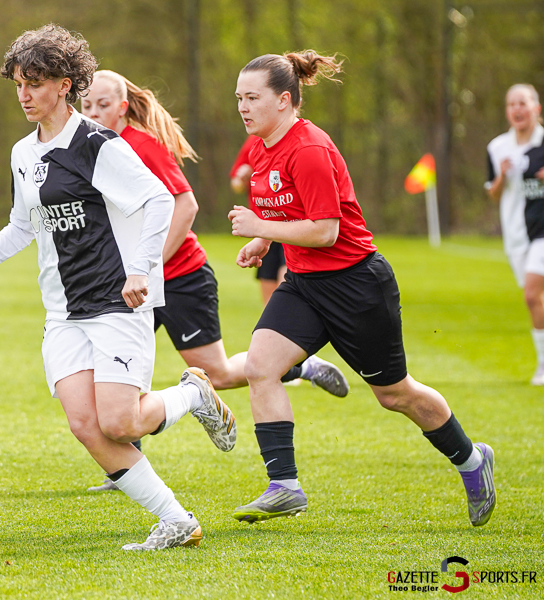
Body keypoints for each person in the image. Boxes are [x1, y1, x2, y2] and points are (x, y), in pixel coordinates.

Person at [0, 24, 237, 551]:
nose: (24, 95)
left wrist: (142, 269)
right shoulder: (22, 153)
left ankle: (192, 394)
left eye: (34, 83)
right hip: (62, 311)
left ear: (64, 83)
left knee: (121, 421)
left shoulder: (97, 144)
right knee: (87, 425)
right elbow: (22, 222)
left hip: (115, 301)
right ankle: (176, 520)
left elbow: (160, 200)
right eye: (17, 84)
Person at [228, 51, 495, 527]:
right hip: (305, 284)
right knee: (261, 367)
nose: (243, 107)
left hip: (356, 285)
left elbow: (326, 230)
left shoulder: (308, 147)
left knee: (394, 395)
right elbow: (292, 213)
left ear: (285, 100)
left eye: (253, 97)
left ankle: (471, 459)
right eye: (239, 98)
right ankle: (284, 485)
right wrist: (261, 239)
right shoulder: (261, 148)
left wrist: (262, 224)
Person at [79, 69, 350, 492]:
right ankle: (128, 469)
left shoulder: (142, 146)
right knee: (108, 372)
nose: (93, 112)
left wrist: (147, 266)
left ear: (123, 106)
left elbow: (186, 205)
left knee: (218, 374)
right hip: (131, 285)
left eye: (102, 104)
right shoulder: (94, 147)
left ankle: (296, 365)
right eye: (86, 105)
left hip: (180, 277)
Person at [485, 84, 544, 385]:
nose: (517, 109)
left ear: (537, 108)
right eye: (511, 104)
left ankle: (543, 368)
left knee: (532, 294)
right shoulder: (497, 148)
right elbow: (493, 195)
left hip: (542, 233)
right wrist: (500, 179)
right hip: (516, 235)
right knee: (537, 298)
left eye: (523, 103)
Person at [230, 135, 286, 305]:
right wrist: (241, 178)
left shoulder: (295, 141)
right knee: (269, 299)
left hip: (291, 225)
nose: (245, 109)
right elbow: (236, 184)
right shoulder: (254, 141)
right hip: (264, 226)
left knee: (287, 285)